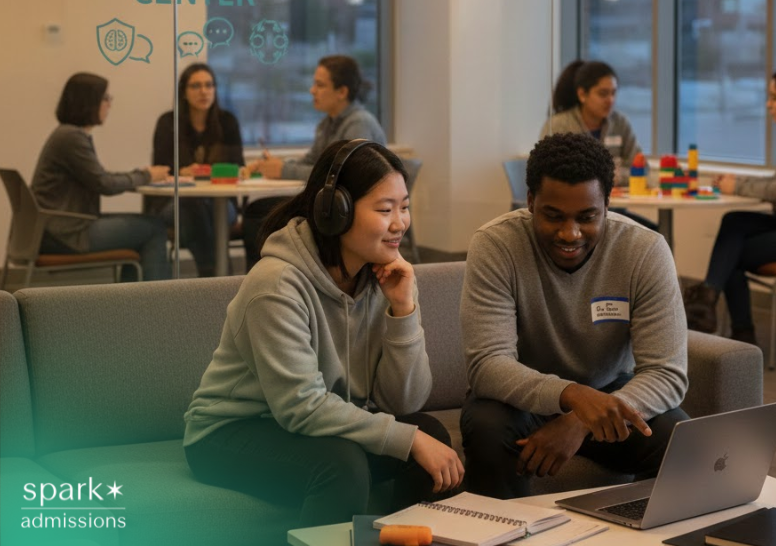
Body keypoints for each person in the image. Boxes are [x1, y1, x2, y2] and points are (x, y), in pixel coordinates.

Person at [183, 140, 463, 536]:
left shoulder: (384, 276)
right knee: (342, 465)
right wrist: (405, 439)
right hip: (230, 433)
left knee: (430, 433)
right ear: (335, 211)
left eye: (404, 207)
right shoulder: (276, 285)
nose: (400, 223)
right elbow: (300, 406)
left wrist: (403, 310)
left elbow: (404, 402)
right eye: (385, 209)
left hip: (318, 428)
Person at [459, 132, 688, 500]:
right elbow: (488, 365)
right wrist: (572, 396)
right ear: (530, 201)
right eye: (553, 216)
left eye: (587, 217)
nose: (570, 234)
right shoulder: (496, 244)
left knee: (678, 437)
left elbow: (667, 373)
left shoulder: (645, 250)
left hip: (609, 395)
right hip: (519, 400)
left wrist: (582, 420)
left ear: (607, 205)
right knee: (487, 426)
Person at [684, 66, 776, 344]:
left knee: (732, 254)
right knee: (733, 221)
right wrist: (737, 181)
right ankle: (712, 305)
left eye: (775, 98)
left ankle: (732, 325)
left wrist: (737, 186)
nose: (769, 105)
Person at [242, 54, 387, 271]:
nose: (312, 91)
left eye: (319, 85)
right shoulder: (328, 123)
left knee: (259, 212)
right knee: (259, 209)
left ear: (342, 92)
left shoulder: (359, 123)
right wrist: (276, 165)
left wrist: (283, 170)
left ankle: (265, 273)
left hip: (348, 206)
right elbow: (313, 161)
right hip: (332, 201)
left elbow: (340, 176)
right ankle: (270, 271)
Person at [31, 72, 171, 281]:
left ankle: (137, 299)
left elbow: (99, 177)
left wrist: (143, 175)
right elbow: (104, 184)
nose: (109, 104)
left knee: (149, 224)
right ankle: (152, 299)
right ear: (88, 102)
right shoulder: (71, 137)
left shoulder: (69, 134)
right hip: (66, 233)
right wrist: (146, 175)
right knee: (154, 229)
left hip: (56, 228)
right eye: (105, 98)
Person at [150, 63, 245, 277]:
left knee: (206, 209)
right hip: (176, 203)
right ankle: (217, 276)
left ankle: (210, 280)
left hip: (221, 202)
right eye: (196, 86)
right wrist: (180, 172)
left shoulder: (227, 122)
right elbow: (160, 170)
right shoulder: (169, 123)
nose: (204, 91)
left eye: (209, 85)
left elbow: (239, 167)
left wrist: (215, 172)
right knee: (194, 206)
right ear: (184, 92)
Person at [541, 60, 657, 231]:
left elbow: (641, 169)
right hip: (574, 213)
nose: (610, 100)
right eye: (603, 94)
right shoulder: (560, 125)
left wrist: (616, 176)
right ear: (582, 95)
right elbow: (549, 174)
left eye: (614, 93)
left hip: (615, 212)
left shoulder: (620, 123)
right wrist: (607, 176)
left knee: (656, 234)